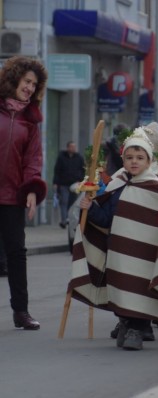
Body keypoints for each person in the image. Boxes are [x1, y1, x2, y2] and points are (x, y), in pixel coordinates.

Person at [70, 128, 158, 350]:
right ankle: (125, 321)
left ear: (148, 161)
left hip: (145, 253)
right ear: (122, 159)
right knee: (120, 286)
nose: (134, 162)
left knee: (139, 287)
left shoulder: (155, 188)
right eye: (130, 158)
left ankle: (137, 327)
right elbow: (106, 219)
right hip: (118, 251)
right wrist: (91, 208)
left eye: (140, 158)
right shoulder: (117, 185)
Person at [0, 56, 48, 330]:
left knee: (16, 253)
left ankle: (21, 311)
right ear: (14, 78)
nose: (30, 88)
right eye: (26, 81)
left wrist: (31, 189)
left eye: (34, 84)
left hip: (11, 197)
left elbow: (33, 159)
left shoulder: (31, 122)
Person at [53, 141, 85, 228]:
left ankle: (69, 219)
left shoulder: (79, 158)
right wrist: (55, 182)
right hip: (63, 184)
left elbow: (83, 170)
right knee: (64, 201)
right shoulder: (61, 157)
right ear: (67, 148)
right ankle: (64, 221)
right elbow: (57, 170)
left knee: (72, 202)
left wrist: (81, 180)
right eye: (71, 147)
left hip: (75, 184)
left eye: (74, 147)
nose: (73, 148)